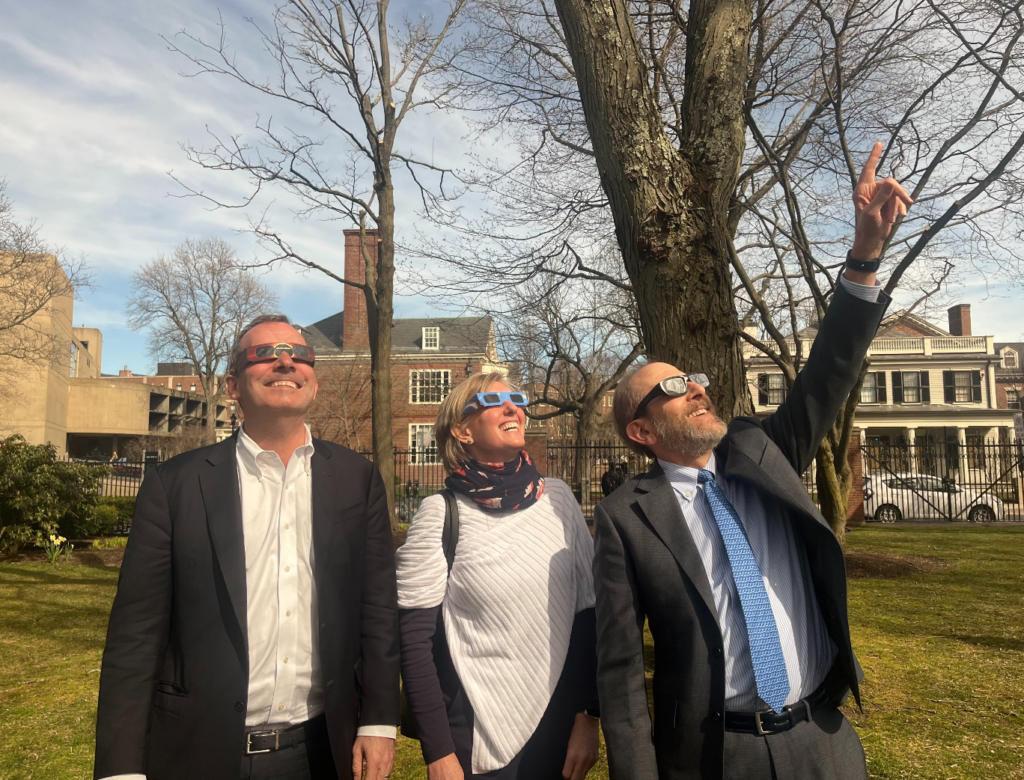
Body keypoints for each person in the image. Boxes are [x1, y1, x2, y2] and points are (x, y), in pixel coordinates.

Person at [594, 142, 913, 780]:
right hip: (717, 757)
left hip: (823, 738)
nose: (696, 388)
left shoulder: (762, 451)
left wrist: (865, 257)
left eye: (696, 378)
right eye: (673, 387)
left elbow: (829, 374)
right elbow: (622, 671)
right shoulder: (626, 519)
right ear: (640, 429)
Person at [94, 315, 399, 780]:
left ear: (313, 381)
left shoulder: (358, 480)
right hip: (200, 750)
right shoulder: (174, 486)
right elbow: (136, 635)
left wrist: (379, 720)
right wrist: (120, 769)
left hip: (322, 750)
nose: (285, 361)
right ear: (232, 385)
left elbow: (378, 608)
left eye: (299, 355)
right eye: (264, 354)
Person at [397, 373, 600, 780]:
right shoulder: (441, 513)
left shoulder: (559, 499)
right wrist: (438, 752)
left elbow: (588, 617)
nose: (514, 408)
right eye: (494, 400)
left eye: (517, 399)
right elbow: (414, 640)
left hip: (557, 726)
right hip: (474, 731)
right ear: (462, 430)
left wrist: (588, 717)